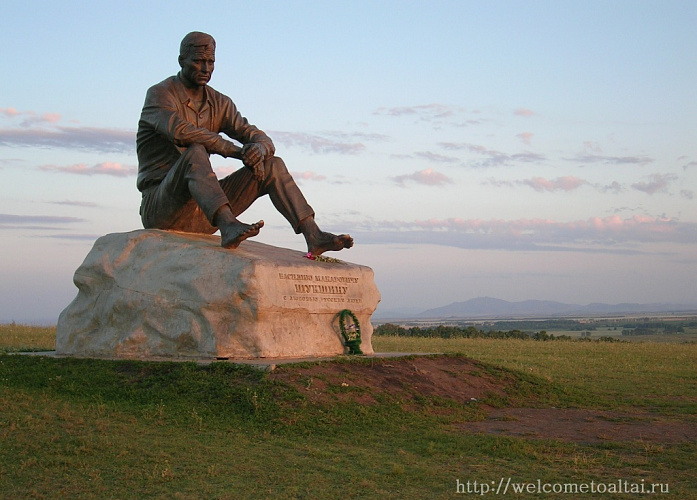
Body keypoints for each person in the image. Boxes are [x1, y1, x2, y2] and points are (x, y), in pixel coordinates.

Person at [136, 31, 353, 255]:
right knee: (196, 152)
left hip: (202, 212)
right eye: (198, 61)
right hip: (162, 209)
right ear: (181, 61)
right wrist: (239, 152)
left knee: (272, 164)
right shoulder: (159, 94)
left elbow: (258, 137)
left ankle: (313, 235)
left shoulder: (219, 102)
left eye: (210, 62)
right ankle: (228, 225)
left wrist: (257, 150)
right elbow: (182, 132)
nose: (206, 69)